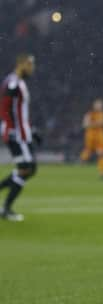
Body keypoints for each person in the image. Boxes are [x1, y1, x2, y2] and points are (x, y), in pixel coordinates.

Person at [0, 54, 38, 221]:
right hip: (17, 134)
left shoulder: (17, 82)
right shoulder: (14, 82)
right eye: (30, 65)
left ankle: (6, 208)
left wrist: (32, 130)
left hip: (23, 133)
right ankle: (6, 209)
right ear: (22, 64)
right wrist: (9, 127)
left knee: (28, 169)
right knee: (27, 169)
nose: (32, 69)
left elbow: (19, 111)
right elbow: (5, 106)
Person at [80, 98, 103, 179]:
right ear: (94, 105)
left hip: (100, 136)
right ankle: (82, 159)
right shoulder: (89, 114)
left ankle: (102, 173)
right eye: (97, 104)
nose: (99, 106)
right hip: (91, 136)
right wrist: (96, 123)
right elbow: (85, 124)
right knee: (88, 150)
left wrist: (97, 123)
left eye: (100, 105)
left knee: (101, 154)